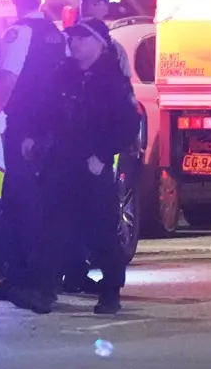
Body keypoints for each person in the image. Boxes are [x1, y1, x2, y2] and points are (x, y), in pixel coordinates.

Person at [10, 20, 140, 315]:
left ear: (100, 44)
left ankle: (110, 292)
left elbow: (128, 123)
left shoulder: (112, 81)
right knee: (53, 228)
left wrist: (103, 155)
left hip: (92, 166)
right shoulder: (63, 75)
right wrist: (31, 136)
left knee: (102, 231)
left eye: (82, 38)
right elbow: (42, 110)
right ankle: (44, 291)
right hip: (60, 162)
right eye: (72, 37)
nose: (74, 43)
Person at [0, 0, 69, 302]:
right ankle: (23, 278)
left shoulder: (19, 33)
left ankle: (28, 281)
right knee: (36, 204)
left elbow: (7, 81)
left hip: (24, 128)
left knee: (20, 205)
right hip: (52, 130)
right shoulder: (56, 35)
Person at [60, 0, 139, 294]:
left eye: (94, 2)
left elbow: (124, 111)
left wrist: (108, 152)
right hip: (71, 155)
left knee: (102, 219)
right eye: (84, 1)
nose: (87, 6)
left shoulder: (110, 55)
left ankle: (111, 285)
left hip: (100, 153)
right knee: (69, 219)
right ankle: (74, 274)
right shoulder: (71, 56)